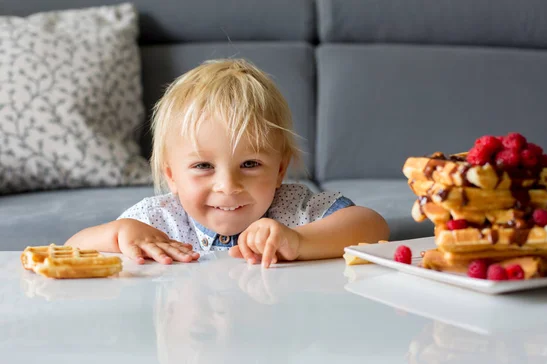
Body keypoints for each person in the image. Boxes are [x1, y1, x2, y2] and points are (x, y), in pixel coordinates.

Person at [66, 59, 389, 268]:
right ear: (171, 175)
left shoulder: (294, 210)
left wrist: (299, 241)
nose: (228, 186)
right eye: (203, 166)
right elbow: (71, 250)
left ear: (279, 170)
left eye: (250, 164)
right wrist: (118, 233)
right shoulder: (156, 221)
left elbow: (372, 227)